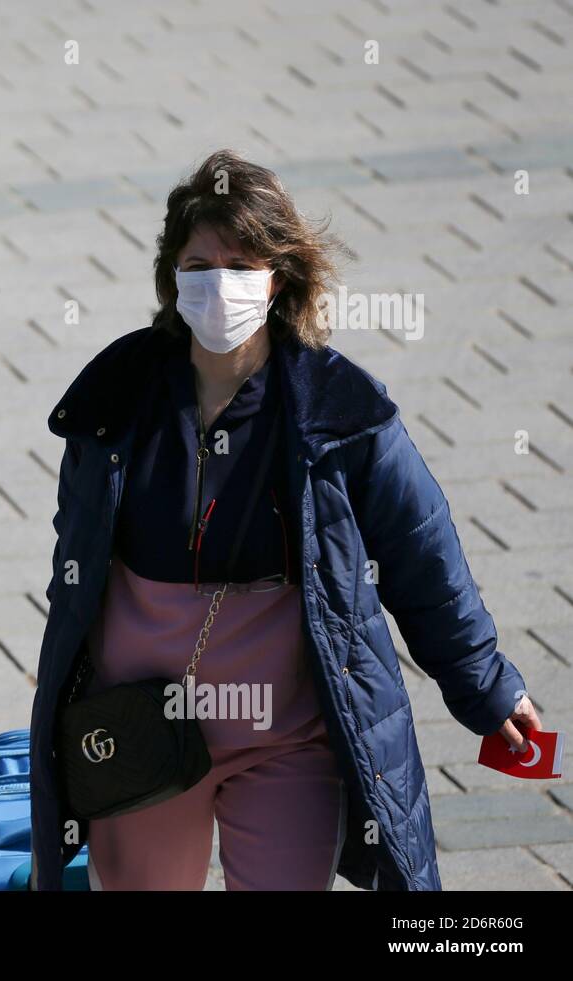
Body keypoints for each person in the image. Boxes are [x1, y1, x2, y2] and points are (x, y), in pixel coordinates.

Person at [28, 149, 540, 891]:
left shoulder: (341, 413)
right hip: (140, 729)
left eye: (240, 264)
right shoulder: (116, 398)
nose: (218, 284)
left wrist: (486, 686)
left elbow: (420, 553)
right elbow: (73, 569)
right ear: (172, 277)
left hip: (287, 740)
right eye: (198, 264)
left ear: (279, 275)